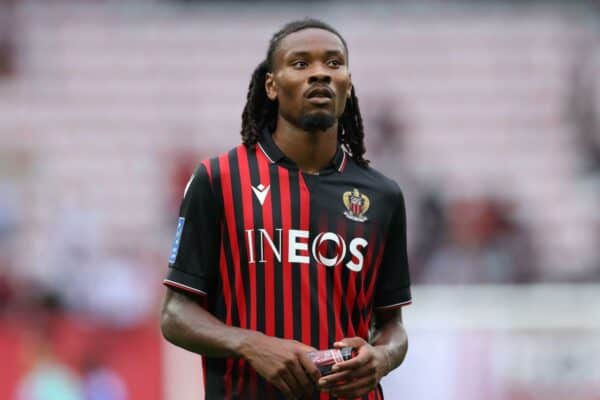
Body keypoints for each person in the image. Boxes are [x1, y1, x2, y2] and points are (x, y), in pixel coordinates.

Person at [160, 19, 412, 400]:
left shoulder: (383, 195)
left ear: (347, 83)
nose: (319, 74)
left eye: (333, 63)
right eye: (300, 64)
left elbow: (392, 326)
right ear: (272, 86)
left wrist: (380, 358)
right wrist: (250, 344)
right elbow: (175, 314)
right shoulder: (218, 179)